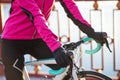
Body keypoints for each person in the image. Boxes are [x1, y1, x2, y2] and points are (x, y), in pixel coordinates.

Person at [1, 0, 106, 80]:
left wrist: (91, 32)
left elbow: (71, 7)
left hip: (38, 39)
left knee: (67, 65)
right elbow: (36, 16)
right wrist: (55, 47)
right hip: (13, 41)